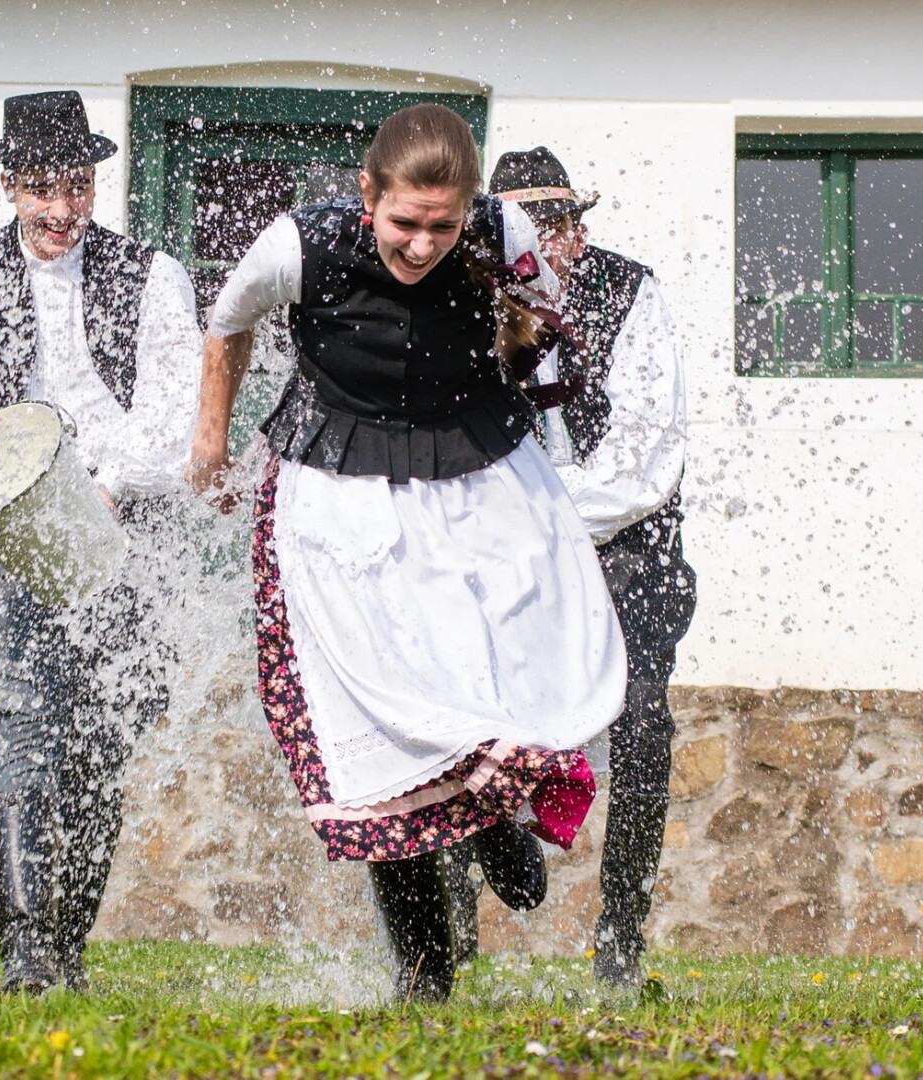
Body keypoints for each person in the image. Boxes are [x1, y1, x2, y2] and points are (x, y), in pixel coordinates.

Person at [186, 104, 628, 1002]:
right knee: (382, 728)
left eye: (442, 224)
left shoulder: (502, 232)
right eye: (402, 223)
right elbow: (226, 325)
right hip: (338, 493)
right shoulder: (296, 245)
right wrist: (210, 442)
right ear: (365, 196)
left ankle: (491, 809)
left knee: (499, 670)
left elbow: (533, 327)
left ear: (470, 204)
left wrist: (516, 340)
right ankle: (423, 972)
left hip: (476, 472)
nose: (422, 245)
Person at [0, 91, 201, 993]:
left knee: (97, 745)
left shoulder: (153, 274)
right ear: (8, 185)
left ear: (95, 181)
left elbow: (178, 406)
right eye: (41, 188)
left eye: (76, 186)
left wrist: (112, 484)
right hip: (4, 537)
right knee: (23, 731)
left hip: (123, 533)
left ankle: (66, 951)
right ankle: (29, 961)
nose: (61, 209)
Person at [487, 146, 697, 987]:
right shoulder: (472, 304)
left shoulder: (632, 290)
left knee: (642, 727)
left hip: (630, 550)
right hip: (504, 557)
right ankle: (451, 932)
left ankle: (620, 937)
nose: (557, 242)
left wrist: (549, 512)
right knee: (470, 730)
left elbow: (648, 458)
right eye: (534, 228)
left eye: (565, 223)